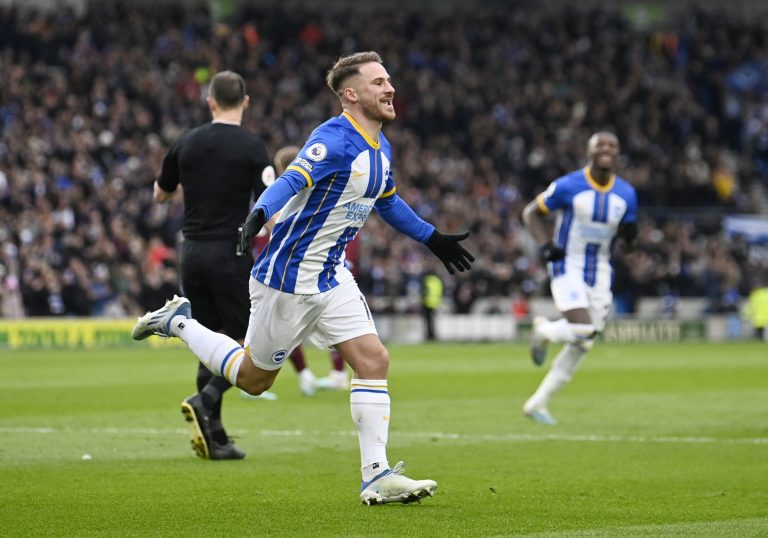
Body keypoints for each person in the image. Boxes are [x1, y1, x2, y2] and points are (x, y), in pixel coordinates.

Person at [132, 51, 474, 505]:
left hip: (332, 275)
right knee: (254, 380)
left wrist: (432, 238)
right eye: (378, 83)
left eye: (388, 80)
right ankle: (179, 321)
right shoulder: (333, 139)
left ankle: (376, 477)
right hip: (289, 278)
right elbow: (292, 179)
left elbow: (387, 201)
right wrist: (260, 212)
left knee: (373, 361)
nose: (390, 88)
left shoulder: (380, 147)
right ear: (350, 94)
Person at [152, 70, 270, 459]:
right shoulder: (253, 147)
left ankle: (215, 435)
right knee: (244, 344)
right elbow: (268, 207)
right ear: (246, 102)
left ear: (210, 102)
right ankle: (206, 398)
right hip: (229, 252)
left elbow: (160, 194)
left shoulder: (186, 142)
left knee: (210, 341)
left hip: (192, 253)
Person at [520, 132, 638, 425]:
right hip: (567, 266)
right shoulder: (569, 185)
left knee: (585, 341)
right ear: (590, 151)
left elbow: (628, 239)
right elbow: (530, 213)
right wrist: (546, 245)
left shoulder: (626, 194)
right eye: (600, 144)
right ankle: (544, 330)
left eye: (612, 145)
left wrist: (631, 239)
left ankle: (538, 402)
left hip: (600, 270)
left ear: (618, 153)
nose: (606, 149)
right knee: (583, 330)